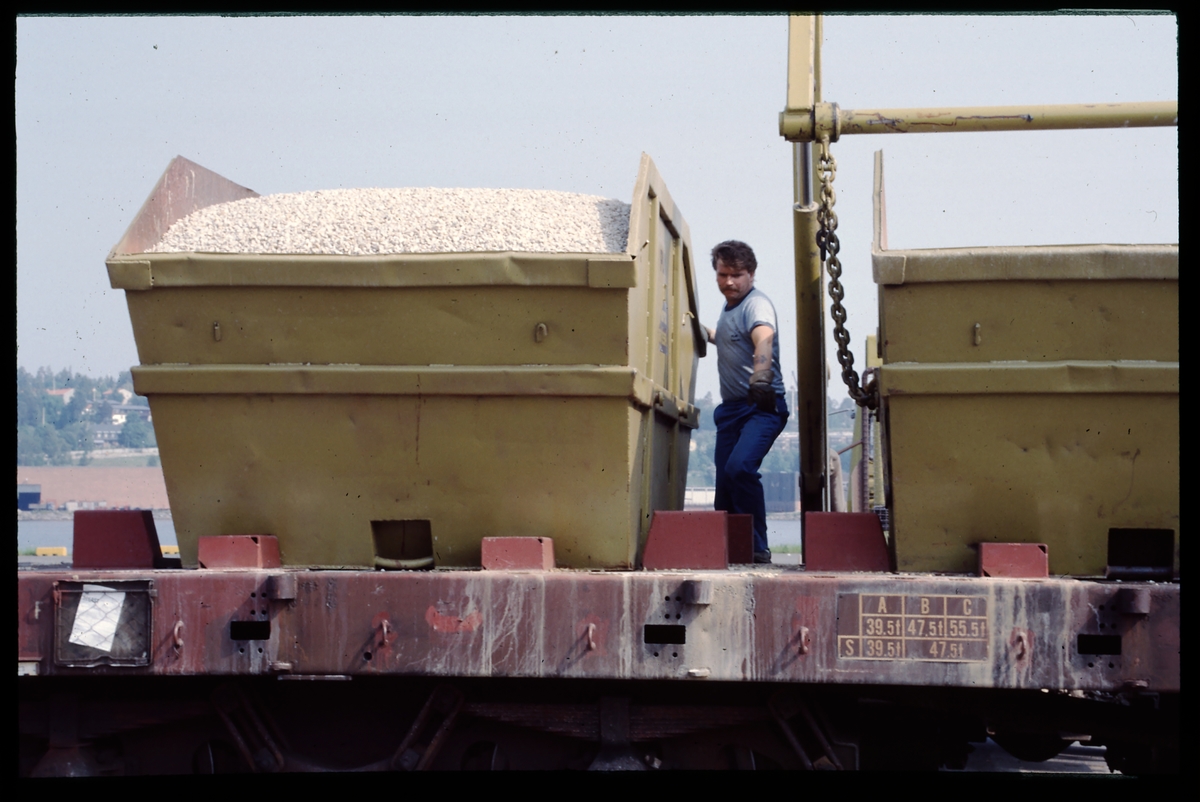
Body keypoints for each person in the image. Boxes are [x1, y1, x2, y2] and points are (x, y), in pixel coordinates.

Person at [705, 240, 789, 564]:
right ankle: (730, 550)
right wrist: (703, 333)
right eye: (723, 274)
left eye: (737, 275)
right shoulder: (729, 309)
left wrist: (761, 374)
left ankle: (758, 547)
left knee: (739, 468)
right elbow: (729, 339)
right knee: (725, 484)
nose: (729, 282)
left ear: (751, 274)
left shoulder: (756, 305)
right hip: (731, 411)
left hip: (761, 406)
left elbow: (763, 337)